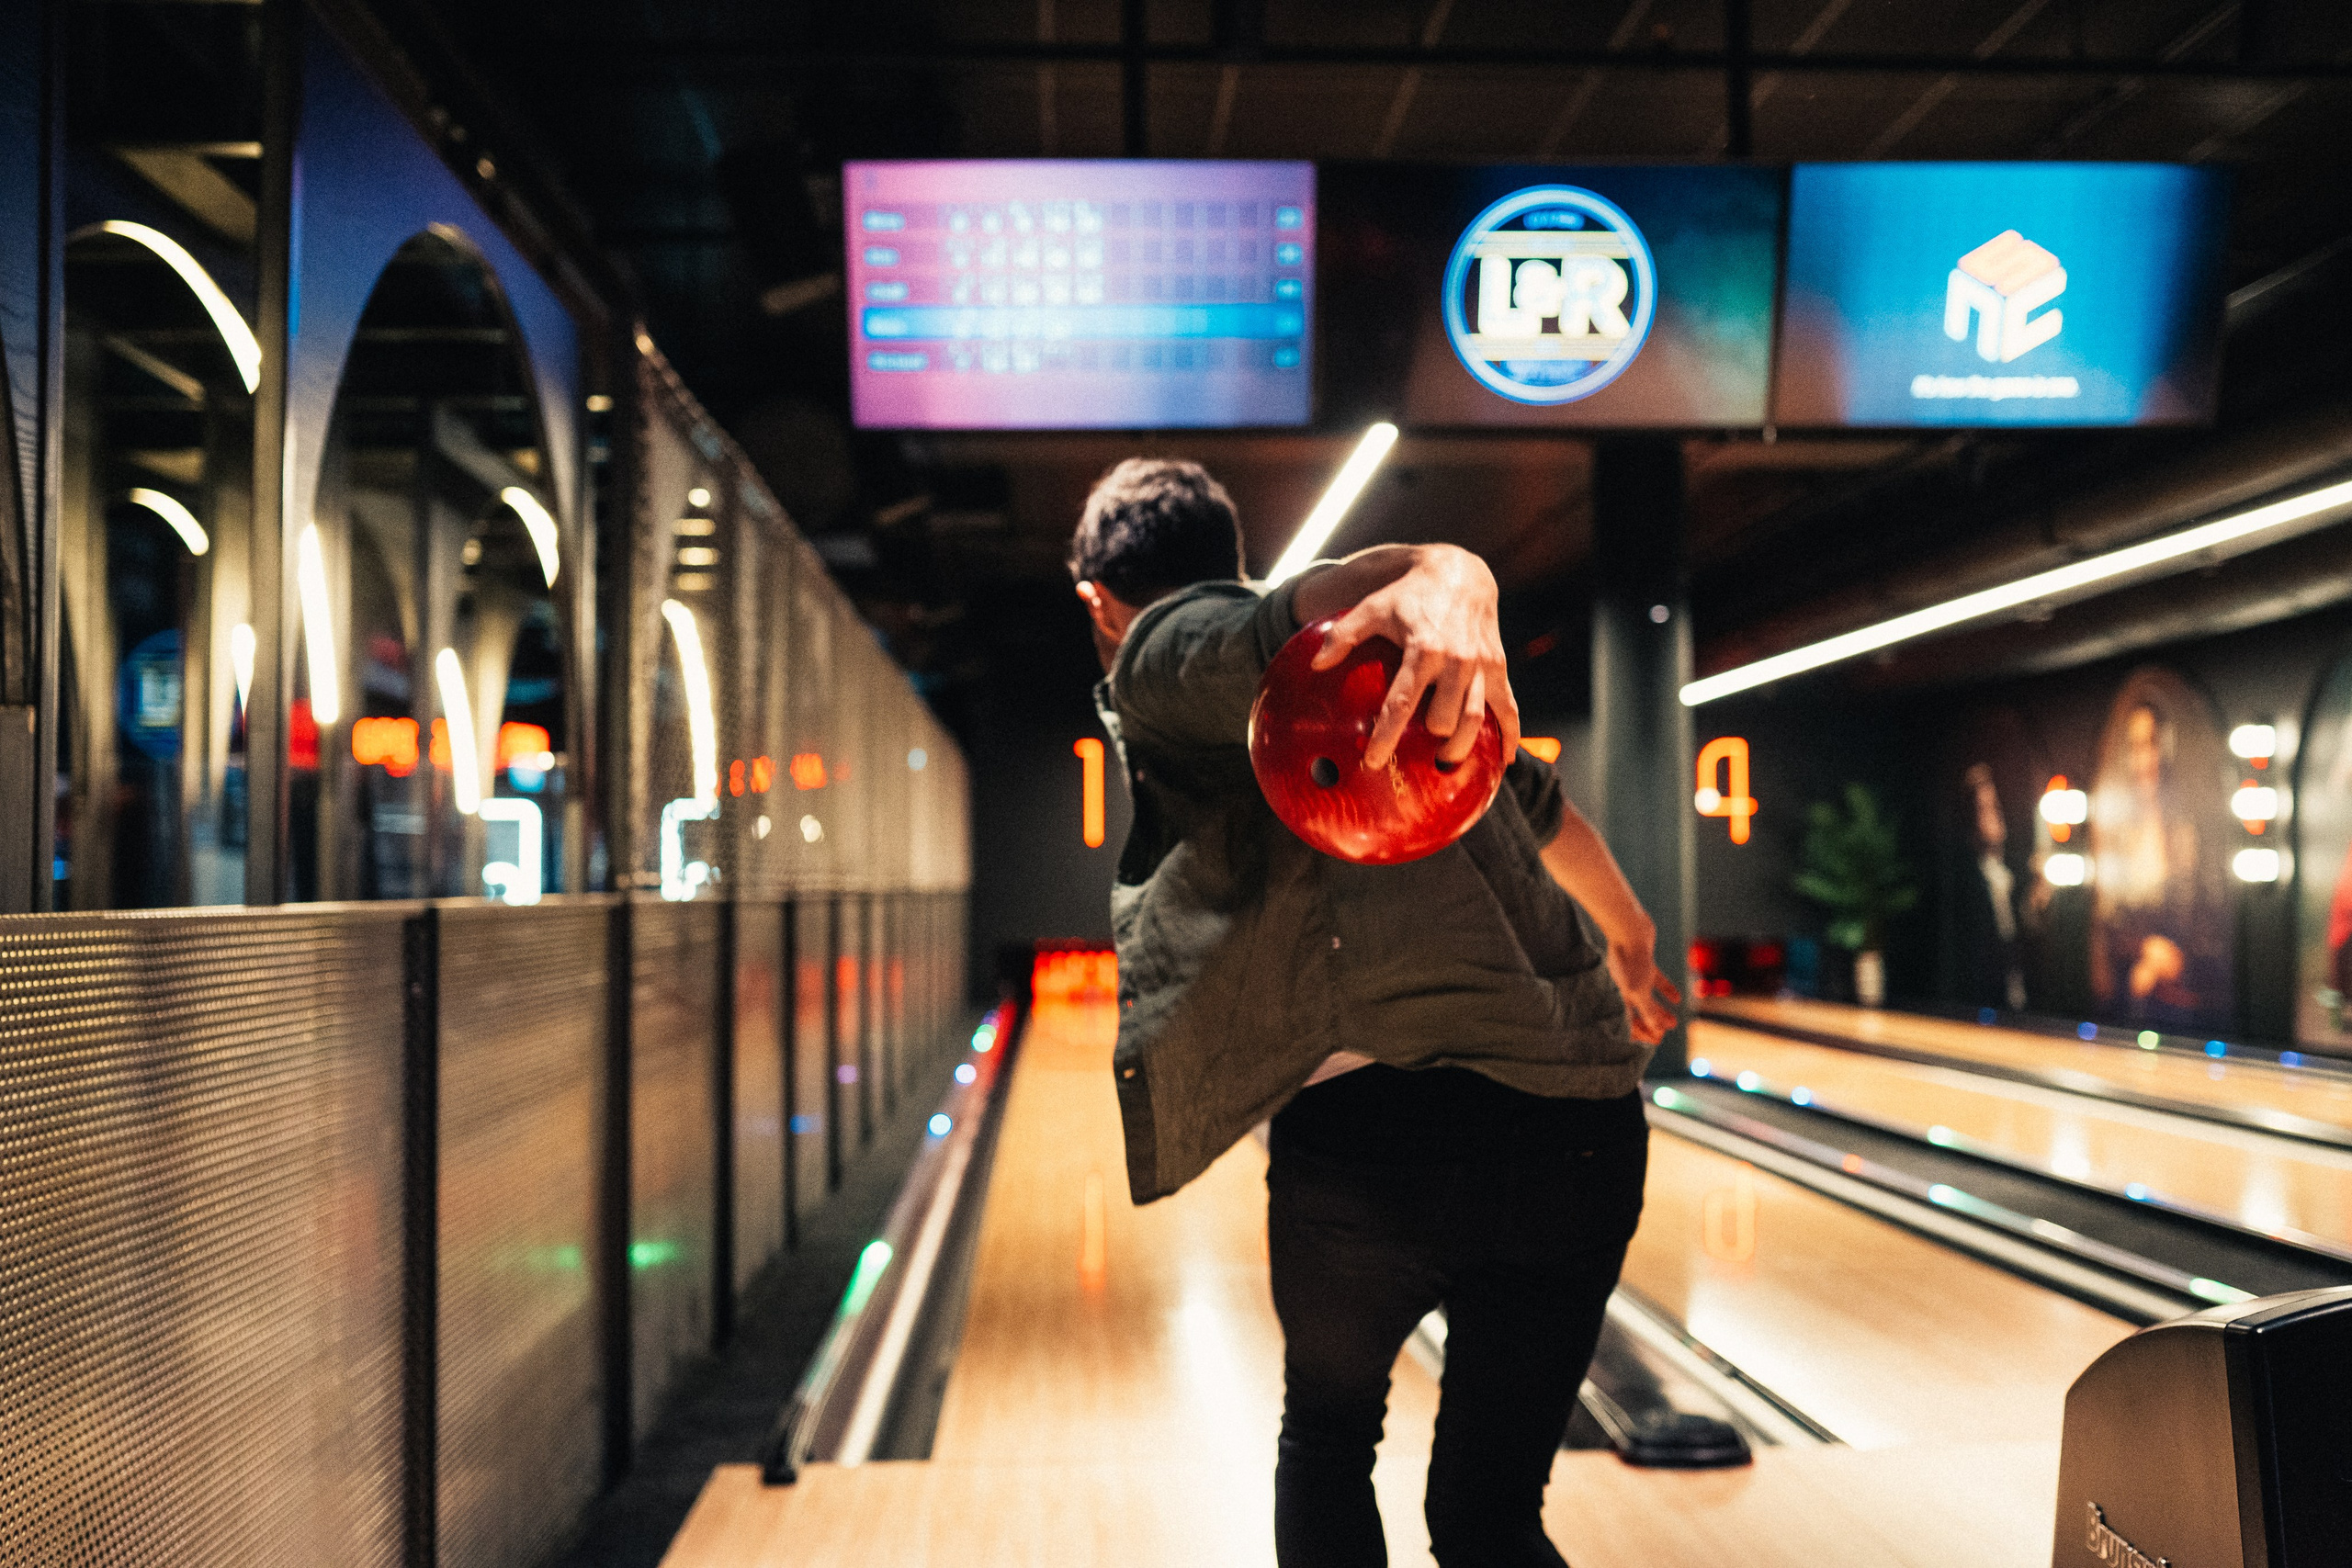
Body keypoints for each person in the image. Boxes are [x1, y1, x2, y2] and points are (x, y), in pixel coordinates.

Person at [1069, 457, 1678, 1568]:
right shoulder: (1370, 675)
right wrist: (1633, 947)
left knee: (1329, 1443)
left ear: (1094, 602)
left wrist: (1431, 568)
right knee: (1491, 1516)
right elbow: (1551, 817)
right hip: (1577, 1131)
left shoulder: (1158, 648)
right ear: (1236, 552)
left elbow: (1269, 620)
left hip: (1373, 1150)